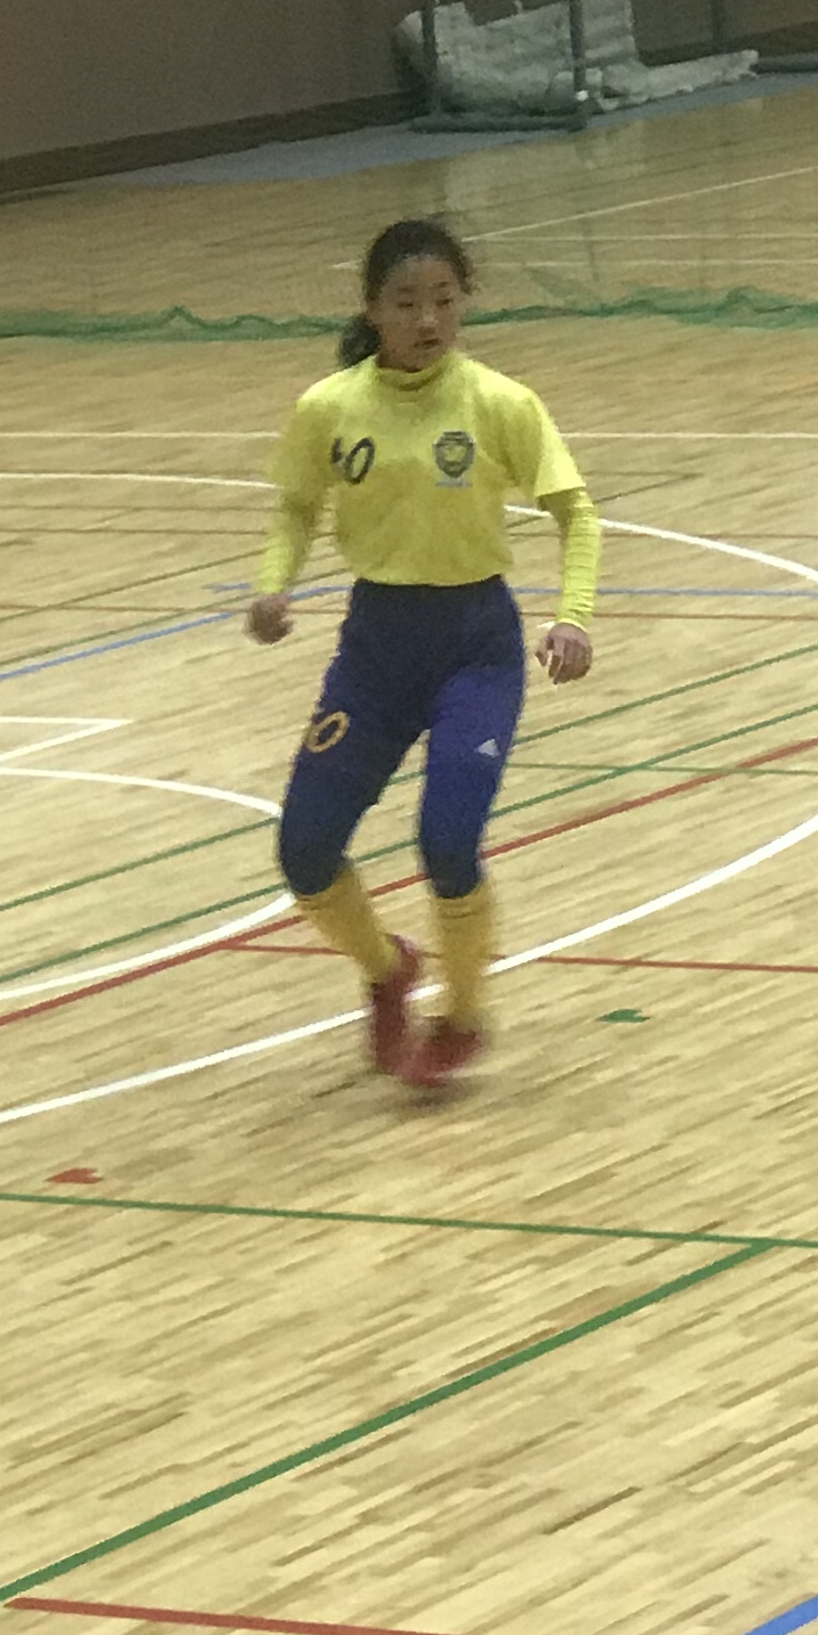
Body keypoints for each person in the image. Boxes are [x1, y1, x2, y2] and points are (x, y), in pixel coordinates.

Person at [249, 217, 600, 1090]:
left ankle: (463, 1015)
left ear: (464, 302)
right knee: (304, 850)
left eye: (444, 300)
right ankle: (386, 969)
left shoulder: (500, 403)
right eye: (406, 303)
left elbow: (577, 512)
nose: (428, 319)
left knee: (448, 841)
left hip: (475, 650)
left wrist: (573, 617)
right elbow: (296, 506)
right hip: (375, 652)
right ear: (372, 309)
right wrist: (273, 584)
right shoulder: (329, 408)